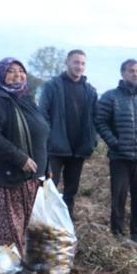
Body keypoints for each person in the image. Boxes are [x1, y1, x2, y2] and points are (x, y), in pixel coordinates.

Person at [0, 57, 50, 260]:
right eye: (11, 71)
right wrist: (20, 158)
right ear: (1, 75)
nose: (17, 74)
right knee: (7, 231)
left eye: (21, 70)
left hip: (29, 177)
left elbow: (41, 132)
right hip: (5, 178)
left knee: (24, 227)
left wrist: (47, 164)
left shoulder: (26, 97)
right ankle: (4, 270)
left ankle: (18, 264)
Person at [93, 59, 137, 246]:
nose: (135, 74)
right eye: (131, 70)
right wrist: (114, 143)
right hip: (120, 157)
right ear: (123, 73)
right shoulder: (110, 97)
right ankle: (117, 233)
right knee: (119, 196)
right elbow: (100, 122)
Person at [38, 49, 98, 219]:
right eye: (76, 62)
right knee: (49, 189)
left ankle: (66, 224)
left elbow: (96, 118)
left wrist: (92, 141)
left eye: (82, 63)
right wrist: (48, 139)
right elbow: (42, 114)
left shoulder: (90, 91)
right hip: (55, 149)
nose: (79, 66)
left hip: (78, 149)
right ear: (67, 63)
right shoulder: (52, 86)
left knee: (71, 191)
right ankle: (45, 223)